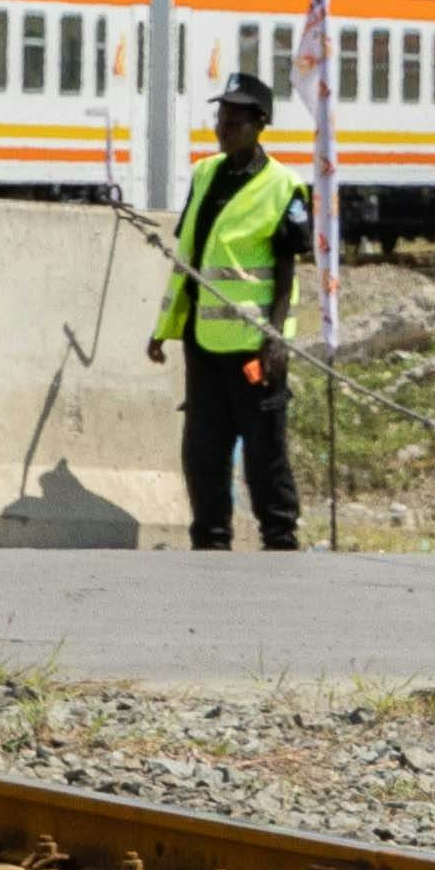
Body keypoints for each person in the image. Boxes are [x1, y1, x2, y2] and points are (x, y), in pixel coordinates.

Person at [144, 69, 310, 552]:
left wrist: (276, 338)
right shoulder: (204, 174)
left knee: (264, 453)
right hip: (204, 344)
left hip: (254, 347)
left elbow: (285, 272)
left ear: (260, 124)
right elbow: (190, 262)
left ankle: (280, 538)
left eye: (235, 122)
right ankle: (211, 540)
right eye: (221, 119)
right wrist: (163, 329)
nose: (224, 129)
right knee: (202, 452)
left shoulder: (285, 187)